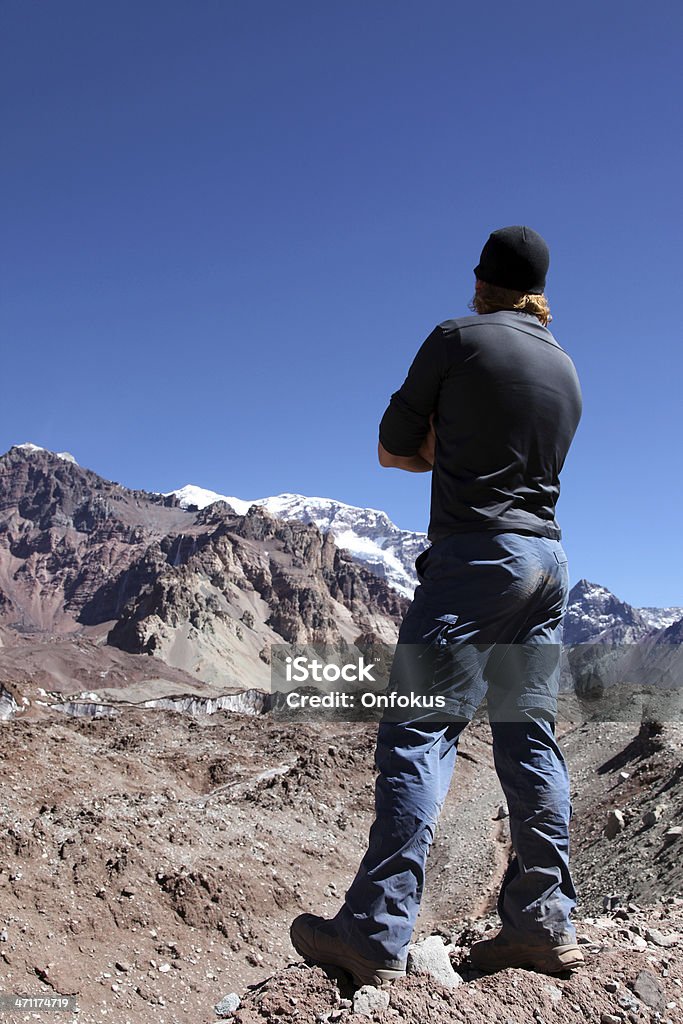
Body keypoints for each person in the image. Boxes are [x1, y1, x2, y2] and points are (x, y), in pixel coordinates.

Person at [290, 225, 584, 984]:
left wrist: (440, 445)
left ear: (481, 279)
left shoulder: (457, 338)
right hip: (547, 562)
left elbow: (393, 449)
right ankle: (541, 926)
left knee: (418, 731)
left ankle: (372, 932)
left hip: (474, 558)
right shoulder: (566, 369)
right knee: (529, 737)